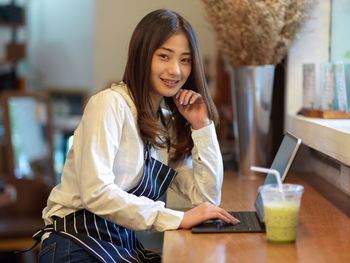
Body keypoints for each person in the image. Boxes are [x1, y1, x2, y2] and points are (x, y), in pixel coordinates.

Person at [36, 9, 238, 263]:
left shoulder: (166, 121)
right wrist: (176, 218)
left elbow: (205, 198)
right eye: (164, 56)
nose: (175, 70)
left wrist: (201, 125)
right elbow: (96, 193)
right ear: (142, 56)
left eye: (185, 60)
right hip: (76, 244)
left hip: (120, 245)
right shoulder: (109, 104)